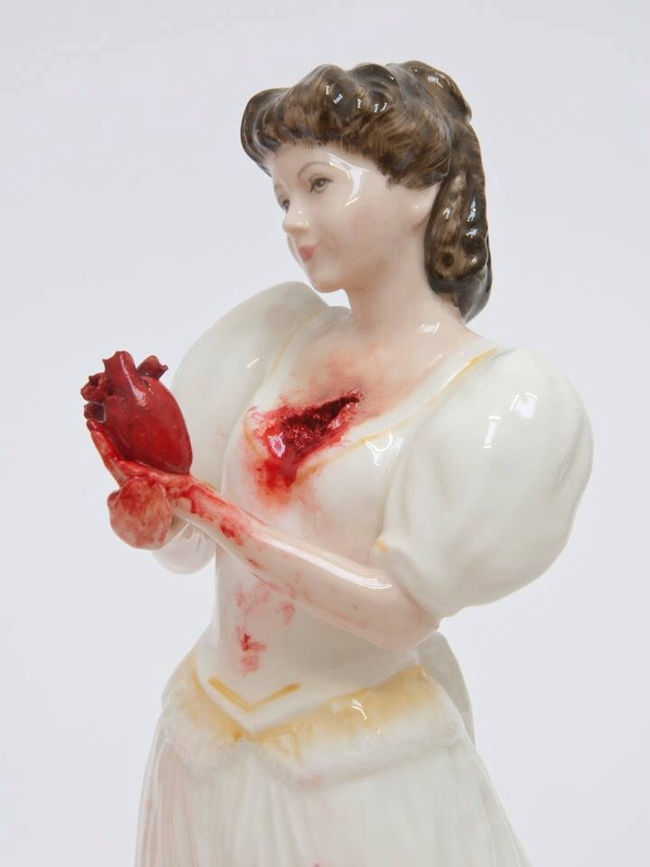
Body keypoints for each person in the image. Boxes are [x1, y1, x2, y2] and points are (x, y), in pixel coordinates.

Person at [93, 62, 593, 866]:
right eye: (282, 197)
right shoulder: (273, 334)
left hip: (359, 767)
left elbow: (400, 613)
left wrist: (209, 512)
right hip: (209, 742)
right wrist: (159, 514)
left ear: (419, 188)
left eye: (319, 185)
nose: (293, 219)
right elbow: (187, 550)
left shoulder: (494, 395)